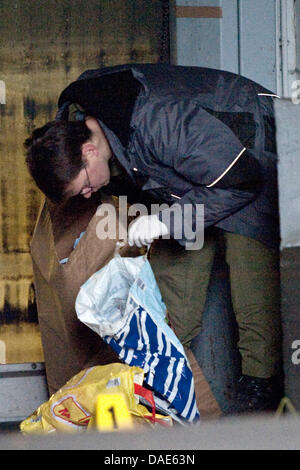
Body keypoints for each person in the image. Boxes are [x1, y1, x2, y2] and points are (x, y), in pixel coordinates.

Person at [24, 63, 282, 413]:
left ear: (89, 152)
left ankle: (261, 394)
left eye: (84, 186)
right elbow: (144, 174)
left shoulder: (155, 121)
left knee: (251, 277)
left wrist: (166, 222)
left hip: (248, 147)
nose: (87, 195)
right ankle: (168, 387)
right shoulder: (79, 129)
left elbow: (241, 179)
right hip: (194, 173)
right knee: (169, 286)